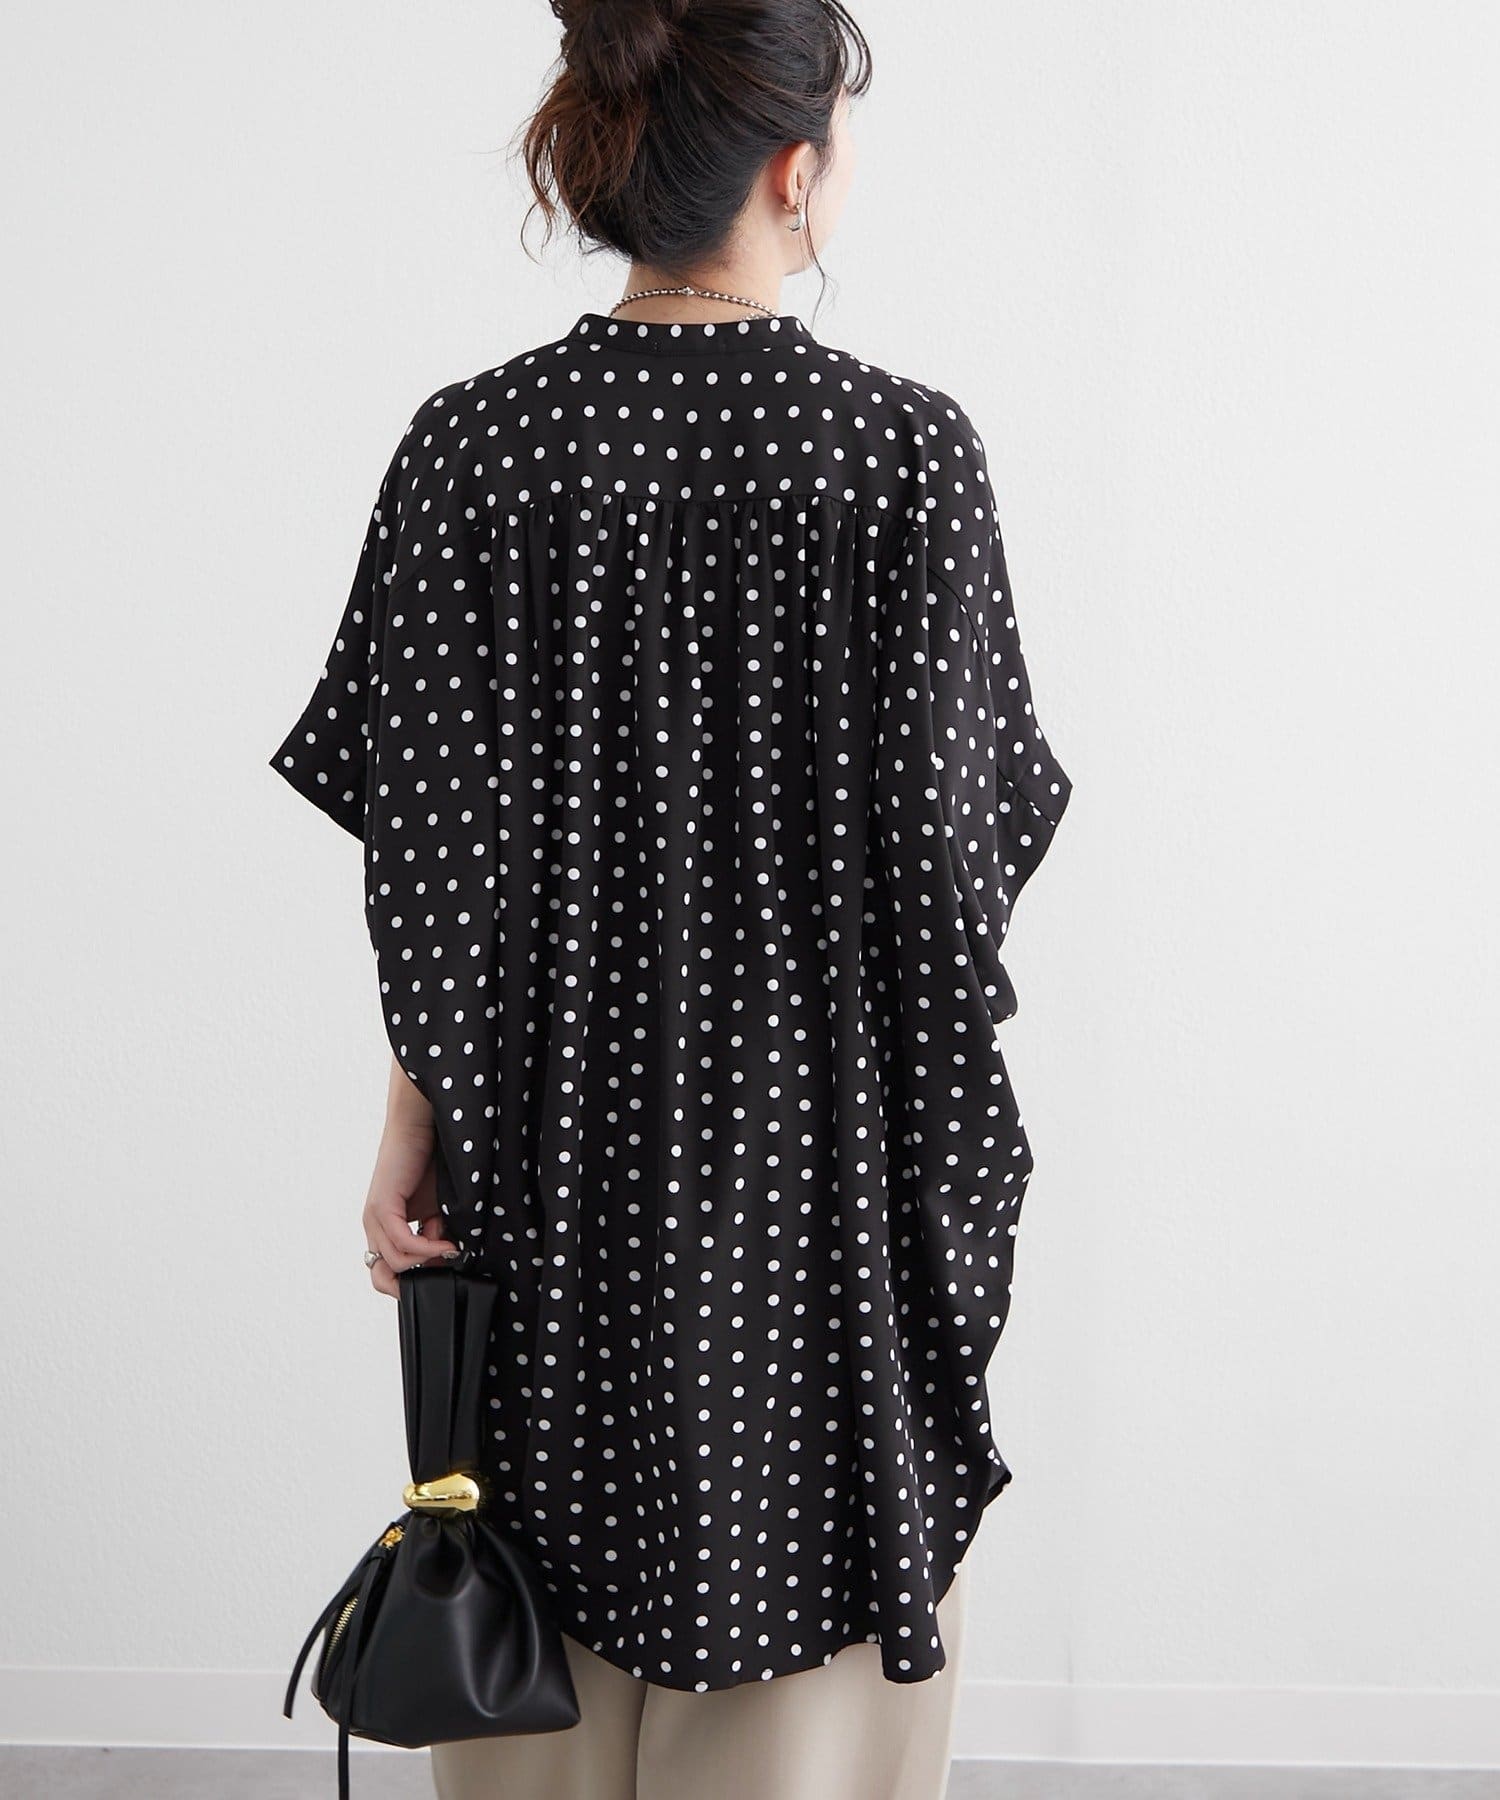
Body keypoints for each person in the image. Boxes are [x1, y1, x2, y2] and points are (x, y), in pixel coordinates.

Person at [268, 1, 1072, 1795]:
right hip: (820, 1215)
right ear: (794, 168)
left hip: (552, 1188)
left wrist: (413, 1119)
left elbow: (440, 870)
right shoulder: (902, 457)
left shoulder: (474, 450)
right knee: (804, 1704)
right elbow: (957, 883)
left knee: (533, 1678)